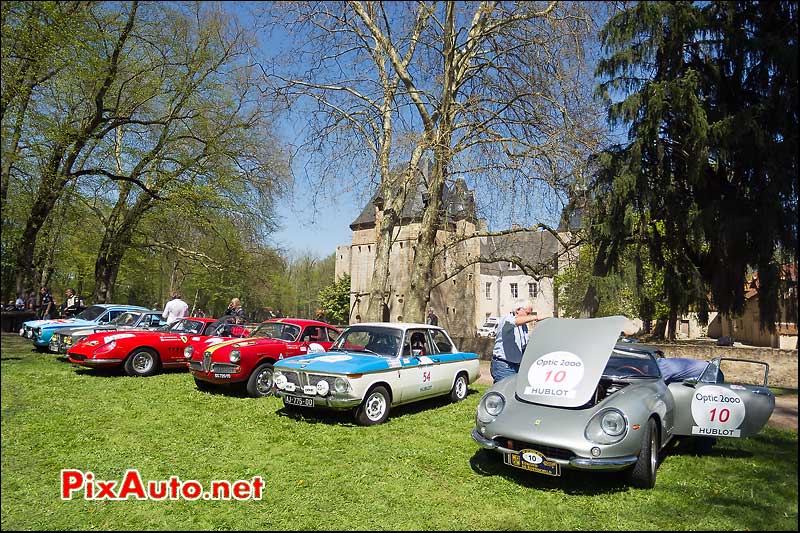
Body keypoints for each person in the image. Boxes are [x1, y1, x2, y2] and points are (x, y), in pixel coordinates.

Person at [490, 300, 538, 383]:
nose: (529, 316)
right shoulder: (507, 319)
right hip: (504, 365)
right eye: (528, 313)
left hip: (517, 366)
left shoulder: (523, 327)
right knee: (503, 392)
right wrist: (536, 317)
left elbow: (524, 344)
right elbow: (514, 322)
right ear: (518, 310)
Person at [657, 357, 724, 384]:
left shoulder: (661, 367)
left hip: (711, 373)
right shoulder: (662, 362)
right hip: (711, 369)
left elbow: (658, 385)